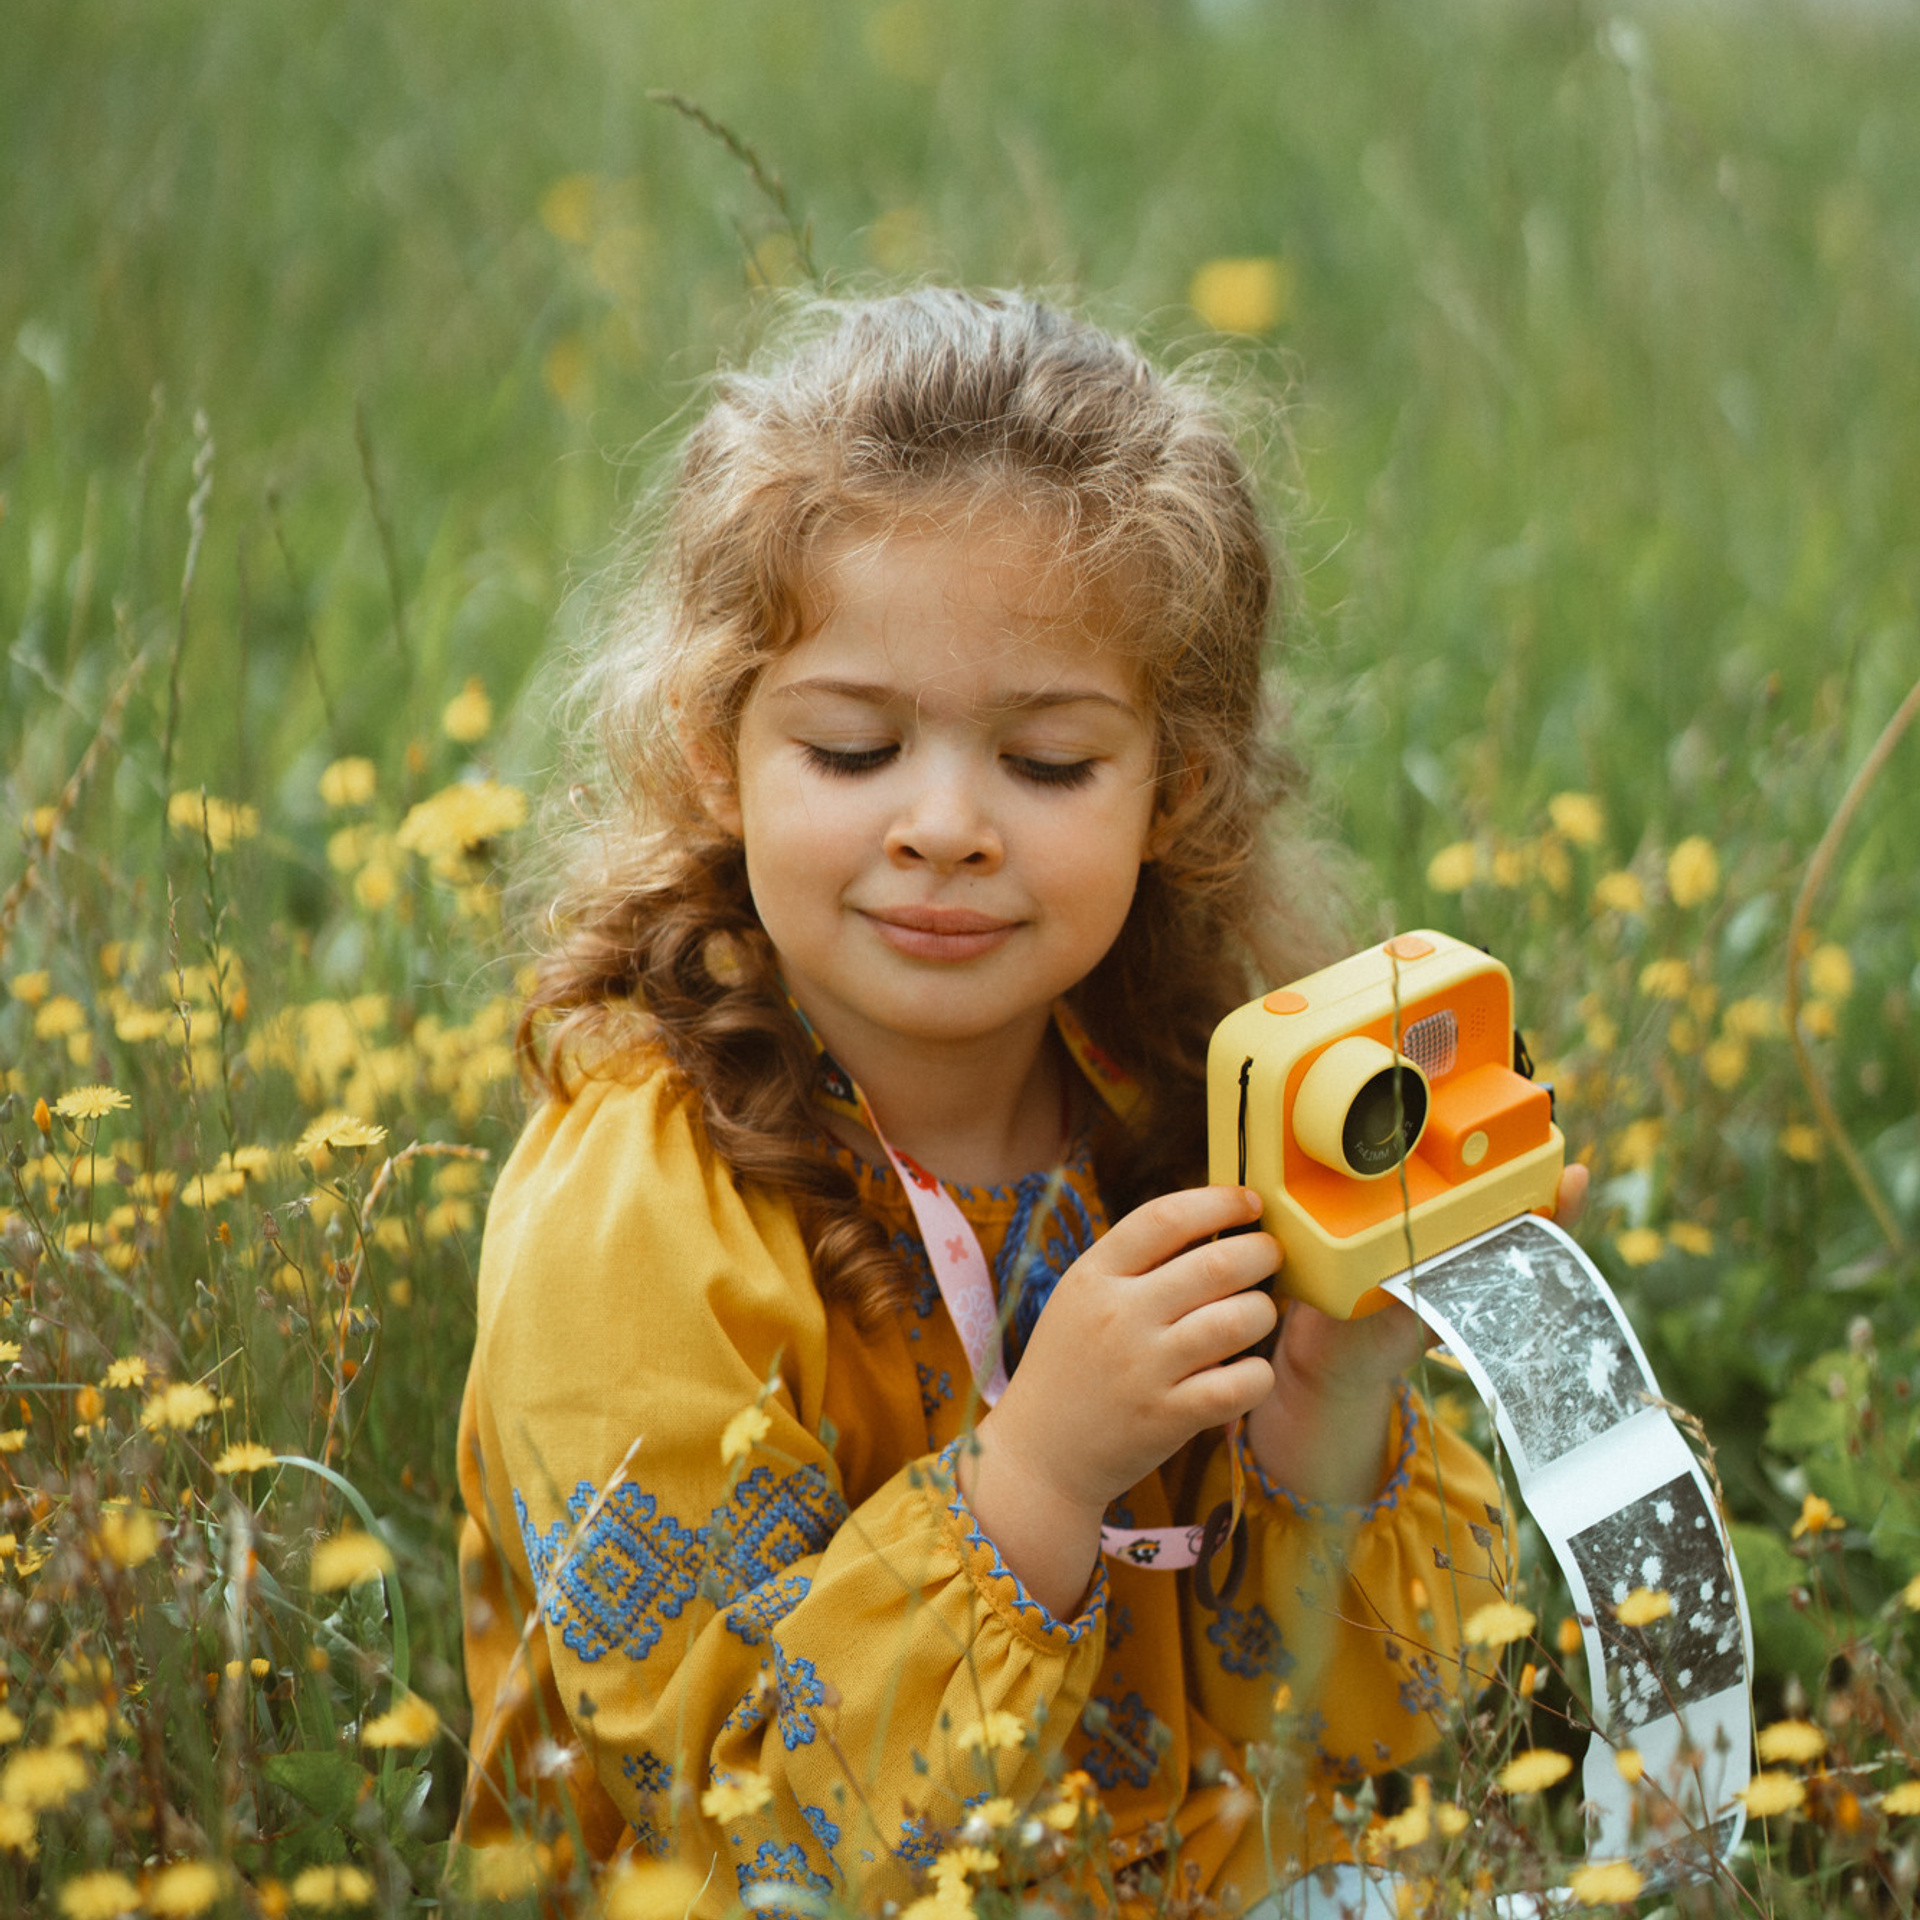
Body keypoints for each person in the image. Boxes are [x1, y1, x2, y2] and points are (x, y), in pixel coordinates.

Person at [454, 290, 1582, 1916]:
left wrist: (1326, 1402)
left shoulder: (1191, 1108)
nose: (946, 827)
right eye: (852, 749)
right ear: (719, 750)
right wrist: (1039, 1483)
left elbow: (1394, 1715)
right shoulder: (641, 1211)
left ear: (1167, 792)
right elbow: (740, 1831)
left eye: (1049, 766)